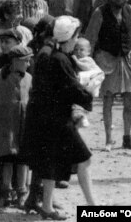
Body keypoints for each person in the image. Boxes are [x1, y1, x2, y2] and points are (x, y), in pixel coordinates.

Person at [24, 16, 98, 219]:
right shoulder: (61, 59)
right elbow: (74, 89)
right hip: (58, 121)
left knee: (50, 163)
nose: (77, 40)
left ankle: (47, 207)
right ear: (71, 36)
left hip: (45, 118)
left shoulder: (51, 55)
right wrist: (89, 92)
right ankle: (93, 207)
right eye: (76, 36)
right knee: (84, 159)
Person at [85, 0, 131, 151]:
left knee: (129, 100)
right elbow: (91, 38)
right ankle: (109, 139)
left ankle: (127, 137)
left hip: (125, 60)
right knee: (108, 99)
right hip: (107, 60)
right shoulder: (100, 13)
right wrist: (91, 65)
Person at [0, 45, 32, 209]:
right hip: (5, 126)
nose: (29, 64)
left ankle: (22, 194)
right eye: (26, 61)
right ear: (15, 61)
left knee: (23, 160)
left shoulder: (29, 78)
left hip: (24, 126)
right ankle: (5, 194)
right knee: (7, 160)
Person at [71, 38, 105, 128]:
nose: (78, 52)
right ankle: (81, 117)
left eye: (81, 50)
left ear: (88, 52)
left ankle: (82, 117)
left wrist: (77, 61)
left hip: (91, 82)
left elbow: (86, 68)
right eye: (75, 49)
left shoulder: (87, 59)